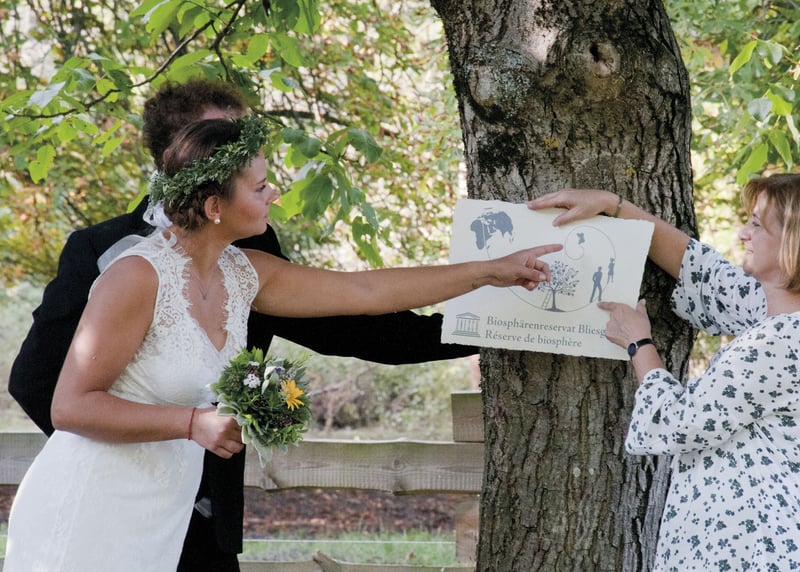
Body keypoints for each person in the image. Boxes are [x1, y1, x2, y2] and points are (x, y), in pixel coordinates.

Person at [4, 115, 562, 570]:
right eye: (261, 186)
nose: (276, 192)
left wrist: (489, 271)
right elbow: (70, 406)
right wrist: (192, 423)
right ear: (214, 206)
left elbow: (368, 291)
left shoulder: (246, 271)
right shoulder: (136, 276)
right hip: (91, 505)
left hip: (163, 512)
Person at [528, 177, 800, 571]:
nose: (743, 233)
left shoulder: (777, 342)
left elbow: (677, 423)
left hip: (751, 549)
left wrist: (638, 342)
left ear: (792, 243)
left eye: (757, 225)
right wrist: (613, 205)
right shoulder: (774, 311)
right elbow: (703, 273)